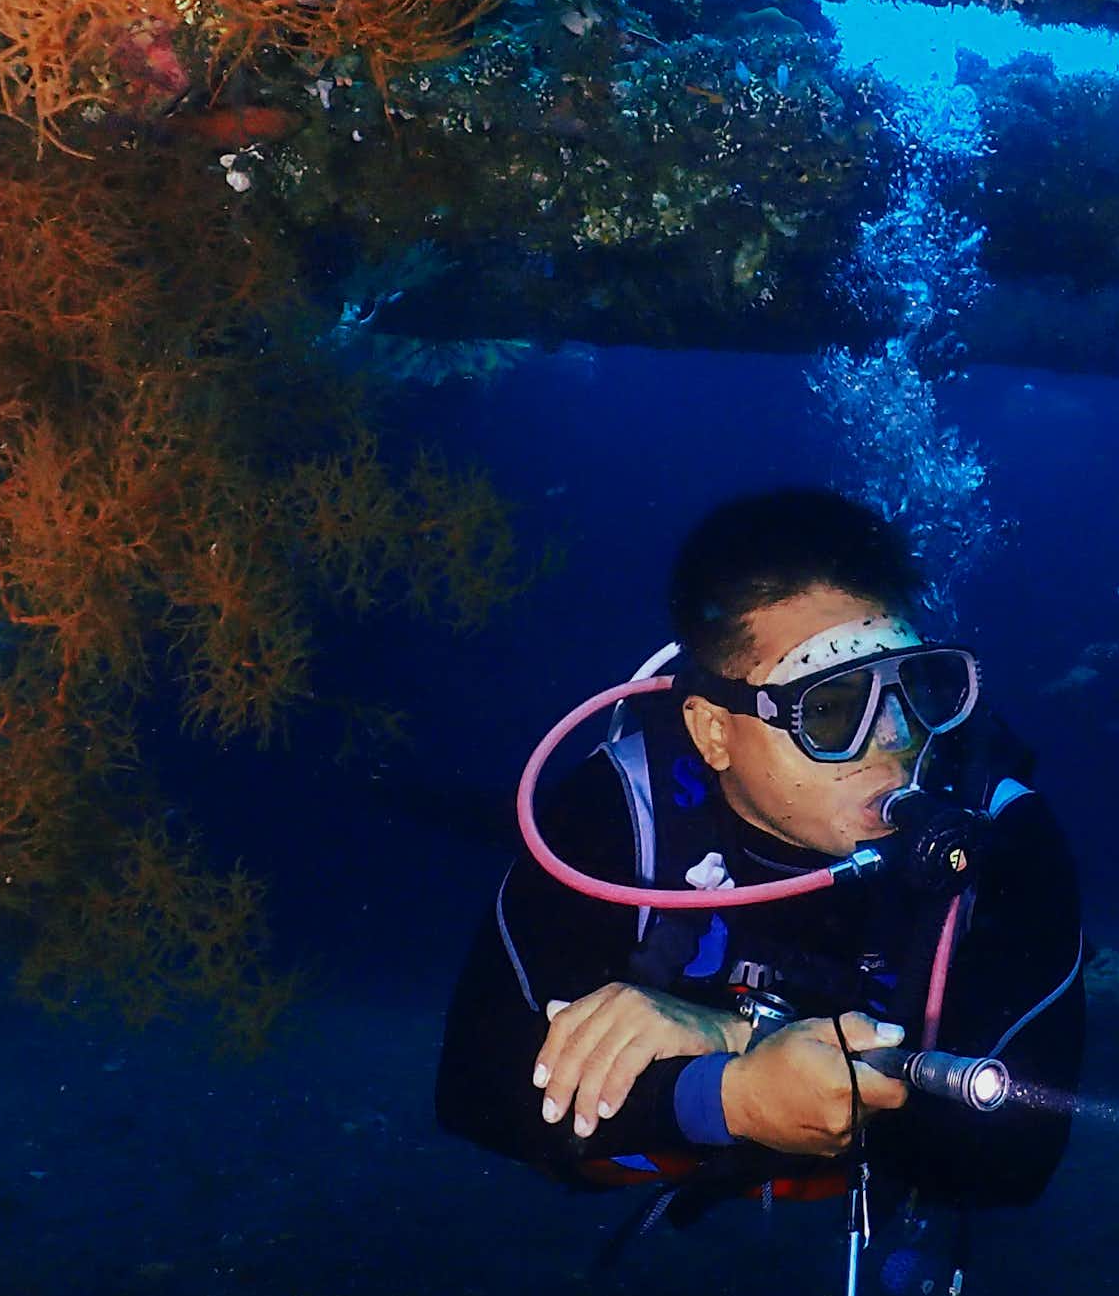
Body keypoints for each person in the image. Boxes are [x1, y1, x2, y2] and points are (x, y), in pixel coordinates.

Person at [435, 488, 1085, 1215]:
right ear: (714, 731)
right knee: (463, 815)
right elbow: (474, 1090)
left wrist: (733, 1039)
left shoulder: (1003, 838)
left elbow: (1017, 1160)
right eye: (833, 708)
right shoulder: (619, 808)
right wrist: (730, 1099)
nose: (897, 738)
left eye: (918, 686)